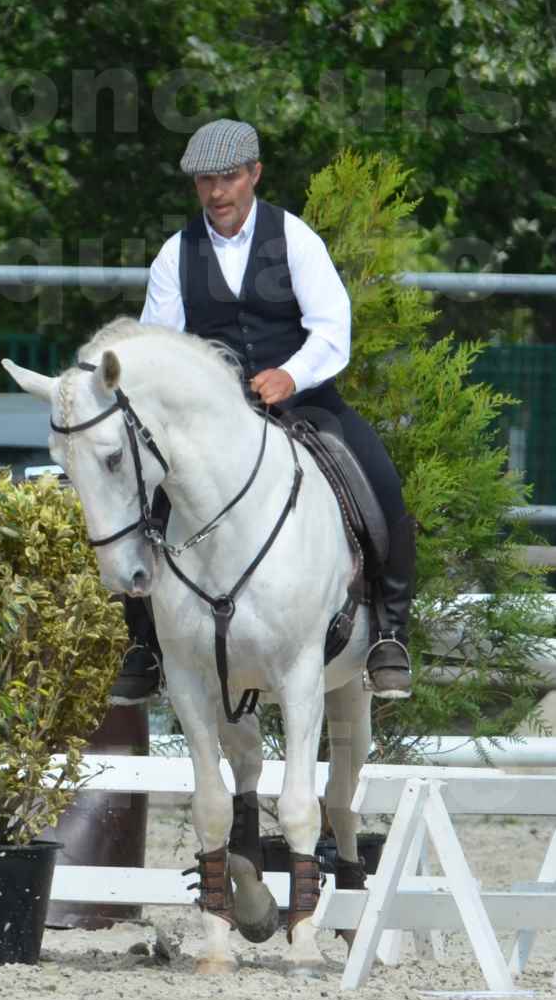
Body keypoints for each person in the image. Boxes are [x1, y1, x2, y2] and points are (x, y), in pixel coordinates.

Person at [110, 118, 415, 705]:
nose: (217, 192)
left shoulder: (294, 238)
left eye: (228, 178)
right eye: (205, 181)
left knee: (381, 484)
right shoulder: (176, 254)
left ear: (254, 174)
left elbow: (332, 328)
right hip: (212, 422)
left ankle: (390, 634)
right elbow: (160, 343)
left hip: (302, 402)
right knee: (142, 502)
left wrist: (290, 374)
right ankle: (145, 643)